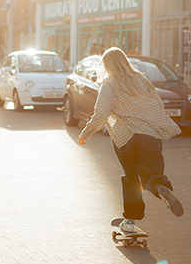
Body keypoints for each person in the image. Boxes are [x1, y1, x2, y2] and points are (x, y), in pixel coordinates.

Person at [77, 47, 184, 232]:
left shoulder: (109, 84)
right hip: (151, 136)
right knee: (153, 175)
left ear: (107, 65)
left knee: (131, 178)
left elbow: (100, 113)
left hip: (126, 138)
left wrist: (85, 133)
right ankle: (161, 190)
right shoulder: (142, 80)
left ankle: (130, 222)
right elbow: (158, 104)